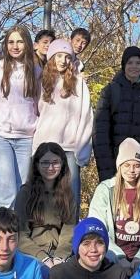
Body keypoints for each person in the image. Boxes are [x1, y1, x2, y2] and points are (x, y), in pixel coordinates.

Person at [0, 24, 40, 210]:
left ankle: (14, 238)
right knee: (4, 195)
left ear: (27, 44)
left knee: (21, 195)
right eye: (11, 42)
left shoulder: (36, 72)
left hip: (26, 138)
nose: (15, 46)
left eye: (20, 42)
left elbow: (41, 104)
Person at [31, 38, 93, 204]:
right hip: (45, 146)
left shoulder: (79, 83)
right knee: (43, 197)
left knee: (70, 198)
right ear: (52, 57)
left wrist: (82, 150)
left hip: (70, 149)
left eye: (67, 57)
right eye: (59, 56)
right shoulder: (41, 82)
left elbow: (86, 117)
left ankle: (70, 230)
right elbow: (33, 113)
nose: (63, 61)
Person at [88, 138, 140, 269]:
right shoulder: (105, 189)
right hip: (111, 254)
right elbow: (97, 226)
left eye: (137, 165)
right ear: (120, 166)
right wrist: (119, 257)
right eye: (127, 165)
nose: (132, 170)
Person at [93, 46, 140, 181]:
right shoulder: (111, 91)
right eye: (130, 63)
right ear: (124, 65)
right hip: (115, 164)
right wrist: (106, 172)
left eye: (138, 63)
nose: (134, 66)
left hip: (139, 164)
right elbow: (100, 133)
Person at [15, 142, 78, 269]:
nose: (50, 167)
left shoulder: (68, 194)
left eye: (55, 162)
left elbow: (69, 232)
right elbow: (20, 234)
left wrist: (59, 256)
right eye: (45, 163)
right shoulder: (25, 193)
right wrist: (43, 257)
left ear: (62, 164)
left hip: (60, 252)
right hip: (31, 252)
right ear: (37, 165)